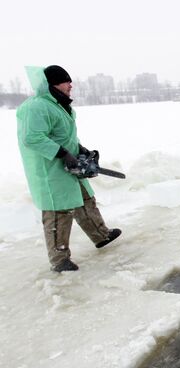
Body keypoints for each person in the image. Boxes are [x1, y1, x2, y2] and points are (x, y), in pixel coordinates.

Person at [16, 65, 121, 272]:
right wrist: (63, 154)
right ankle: (59, 259)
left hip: (70, 165)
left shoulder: (61, 105)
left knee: (84, 200)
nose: (71, 85)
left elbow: (65, 136)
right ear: (53, 84)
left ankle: (101, 235)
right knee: (59, 211)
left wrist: (79, 148)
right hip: (51, 169)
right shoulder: (37, 106)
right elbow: (32, 138)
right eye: (66, 81)